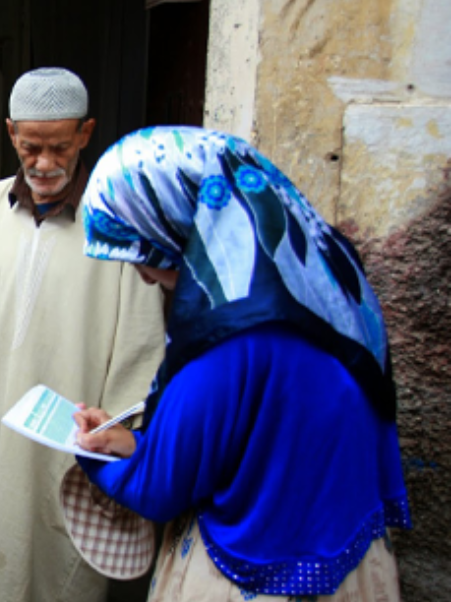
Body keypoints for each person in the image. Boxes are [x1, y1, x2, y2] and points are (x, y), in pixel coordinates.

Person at [73, 126, 411, 600]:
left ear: (178, 222)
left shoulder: (225, 341)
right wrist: (133, 440)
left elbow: (158, 489)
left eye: (142, 251)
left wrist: (90, 457)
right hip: (352, 561)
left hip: (254, 576)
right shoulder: (331, 281)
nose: (143, 275)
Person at [0, 67, 166, 602]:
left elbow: (142, 337)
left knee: (68, 532)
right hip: (1, 408)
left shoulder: (116, 216)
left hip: (78, 416)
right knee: (4, 512)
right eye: (31, 147)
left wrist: (123, 423)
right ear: (11, 133)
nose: (45, 162)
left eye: (60, 146)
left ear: (86, 133)